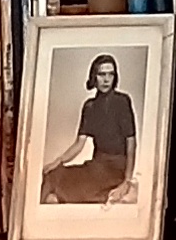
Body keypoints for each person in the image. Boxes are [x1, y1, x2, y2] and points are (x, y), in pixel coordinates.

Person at [40, 54, 137, 203]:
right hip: (96, 166)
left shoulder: (122, 101)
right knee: (53, 174)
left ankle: (63, 197)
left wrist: (127, 180)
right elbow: (79, 144)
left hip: (115, 169)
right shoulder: (90, 106)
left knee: (80, 186)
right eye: (102, 74)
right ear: (94, 77)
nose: (106, 80)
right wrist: (58, 162)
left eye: (110, 74)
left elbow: (131, 143)